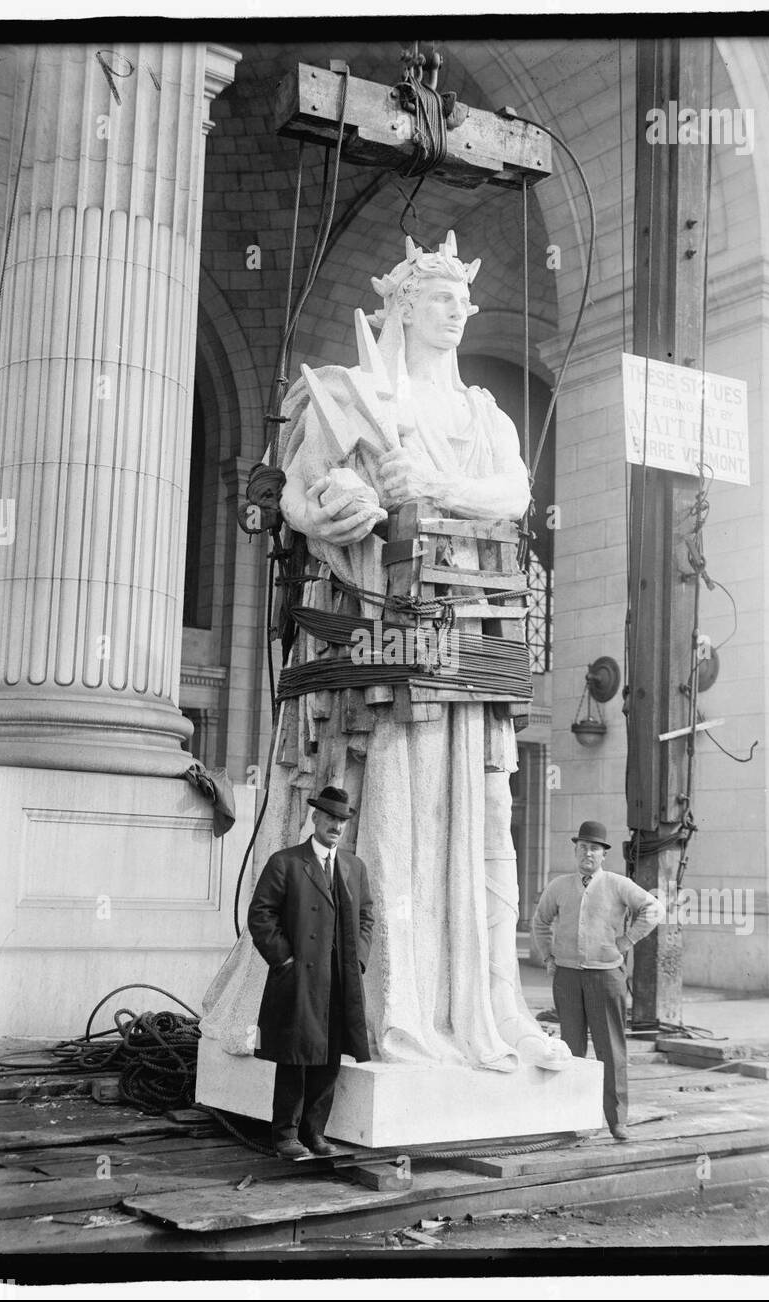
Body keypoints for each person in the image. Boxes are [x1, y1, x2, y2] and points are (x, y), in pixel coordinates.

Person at [202, 232, 570, 1075]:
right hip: (374, 626)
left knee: (474, 816)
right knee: (392, 794)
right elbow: (296, 491)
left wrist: (434, 487)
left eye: (463, 300)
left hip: (464, 631)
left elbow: (514, 493)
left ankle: (472, 1006)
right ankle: (382, 1008)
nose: (457, 312)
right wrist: (335, 503)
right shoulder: (345, 392)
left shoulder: (484, 414)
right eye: (441, 298)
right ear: (401, 306)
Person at [247, 786, 373, 1160]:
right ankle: (286, 1135)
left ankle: (315, 1133)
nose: (336, 826)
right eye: (330, 817)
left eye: (342, 820)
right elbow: (261, 915)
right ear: (315, 818)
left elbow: (366, 917)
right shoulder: (286, 862)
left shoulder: (353, 867)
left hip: (339, 978)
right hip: (299, 978)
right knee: (295, 1055)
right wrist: (284, 959)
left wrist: (358, 960)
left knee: (330, 1056)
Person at [531, 820, 662, 1141]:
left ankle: (617, 1120)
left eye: (594, 849)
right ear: (575, 851)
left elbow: (653, 908)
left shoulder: (618, 884)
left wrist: (627, 940)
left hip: (606, 976)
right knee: (570, 1048)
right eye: (583, 847)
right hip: (567, 977)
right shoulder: (559, 886)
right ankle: (570, 1117)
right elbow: (540, 922)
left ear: (604, 854)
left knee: (611, 1049)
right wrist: (548, 957)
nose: (587, 853)